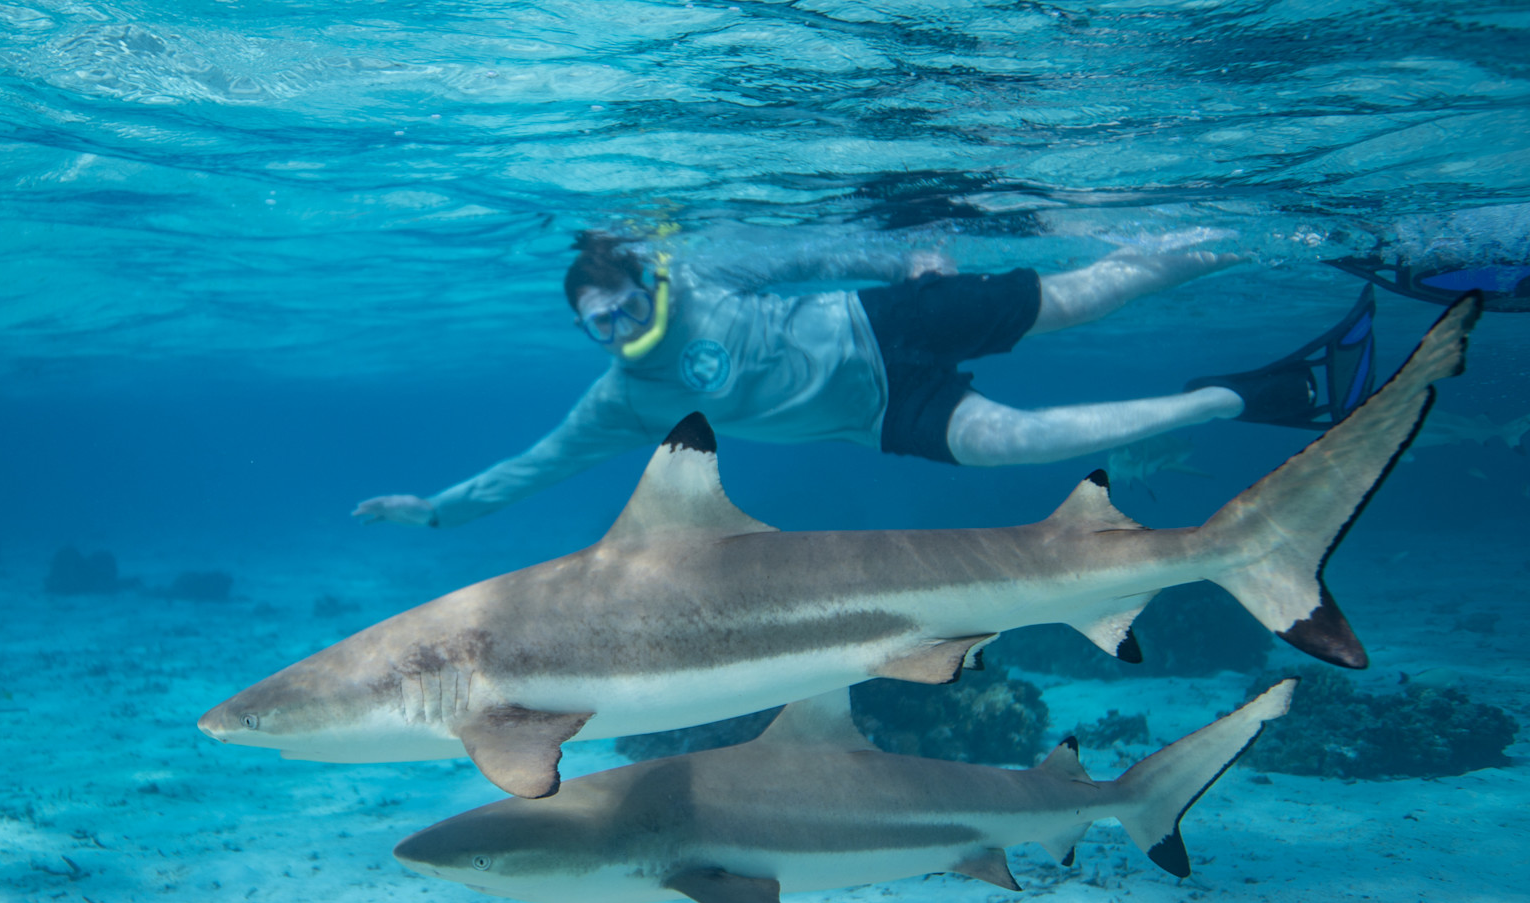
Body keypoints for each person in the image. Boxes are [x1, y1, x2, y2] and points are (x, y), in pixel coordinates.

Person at [354, 232, 1375, 529]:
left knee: (1082, 297)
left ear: (639, 280)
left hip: (886, 321)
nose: (618, 329)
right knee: (1023, 445)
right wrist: (441, 511)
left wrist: (905, 260)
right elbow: (539, 465)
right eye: (599, 327)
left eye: (620, 306)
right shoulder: (626, 400)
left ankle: (1263, 238)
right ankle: (1244, 395)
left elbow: (808, 248)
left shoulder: (701, 269)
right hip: (890, 415)